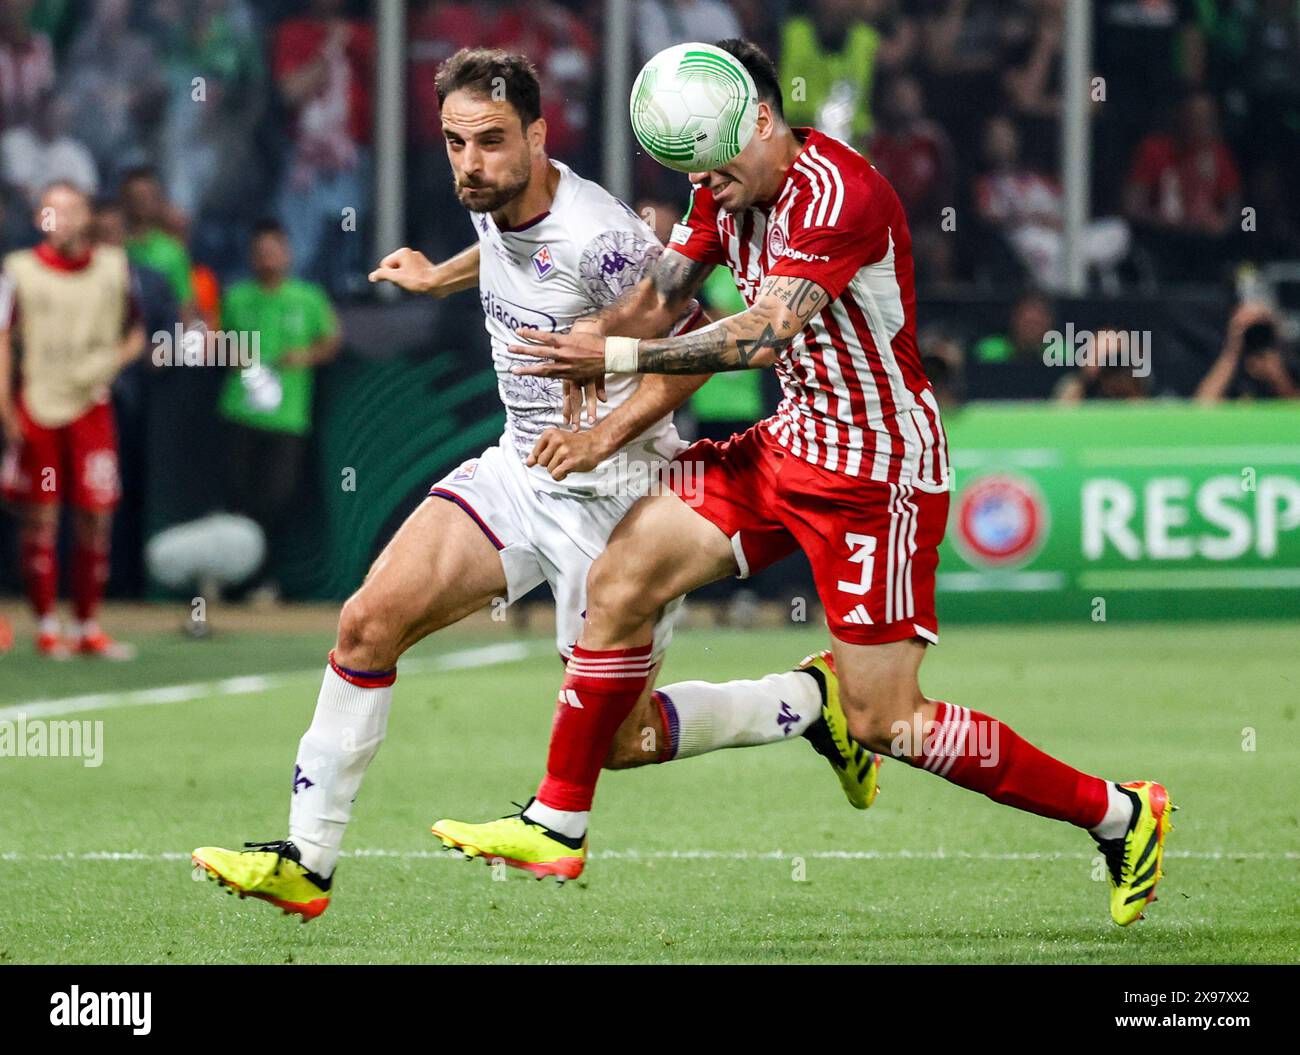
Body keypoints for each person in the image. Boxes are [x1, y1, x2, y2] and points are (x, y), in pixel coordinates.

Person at [432, 38, 1175, 928]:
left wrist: (620, 352)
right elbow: (665, 293)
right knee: (620, 578)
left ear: (759, 118)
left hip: (877, 472)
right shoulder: (721, 182)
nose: (709, 184)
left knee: (888, 723)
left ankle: (1120, 814)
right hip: (787, 447)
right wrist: (585, 342)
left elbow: (761, 336)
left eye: (715, 163)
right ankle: (558, 817)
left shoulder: (842, 195)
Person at [191, 48, 881, 921]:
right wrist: (439, 273)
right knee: (368, 622)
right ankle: (307, 858)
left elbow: (690, 350)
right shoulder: (492, 197)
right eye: (453, 143)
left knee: (623, 742)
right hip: (518, 472)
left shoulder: (603, 236)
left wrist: (599, 434)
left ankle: (809, 703)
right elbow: (506, 249)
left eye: (488, 142)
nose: (469, 164)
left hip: (621, 496)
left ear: (538, 135)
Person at [0, 182, 145, 658]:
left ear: (86, 216)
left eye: (66, 210)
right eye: (47, 211)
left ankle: (88, 626)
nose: (56, 219)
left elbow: (136, 334)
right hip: (39, 405)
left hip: (92, 407)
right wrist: (5, 405)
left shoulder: (114, 268)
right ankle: (45, 625)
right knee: (40, 518)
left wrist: (109, 362)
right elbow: (3, 338)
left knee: (96, 519)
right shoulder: (18, 271)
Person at [217, 220, 341, 594]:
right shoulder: (237, 297)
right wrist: (228, 351)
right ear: (252, 256)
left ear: (287, 253)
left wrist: (305, 355)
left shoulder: (307, 297)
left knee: (277, 498)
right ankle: (233, 580)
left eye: (274, 249)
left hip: (288, 416)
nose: (268, 257)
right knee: (238, 495)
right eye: (261, 250)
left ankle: (265, 578)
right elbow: (215, 340)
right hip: (241, 411)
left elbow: (332, 340)